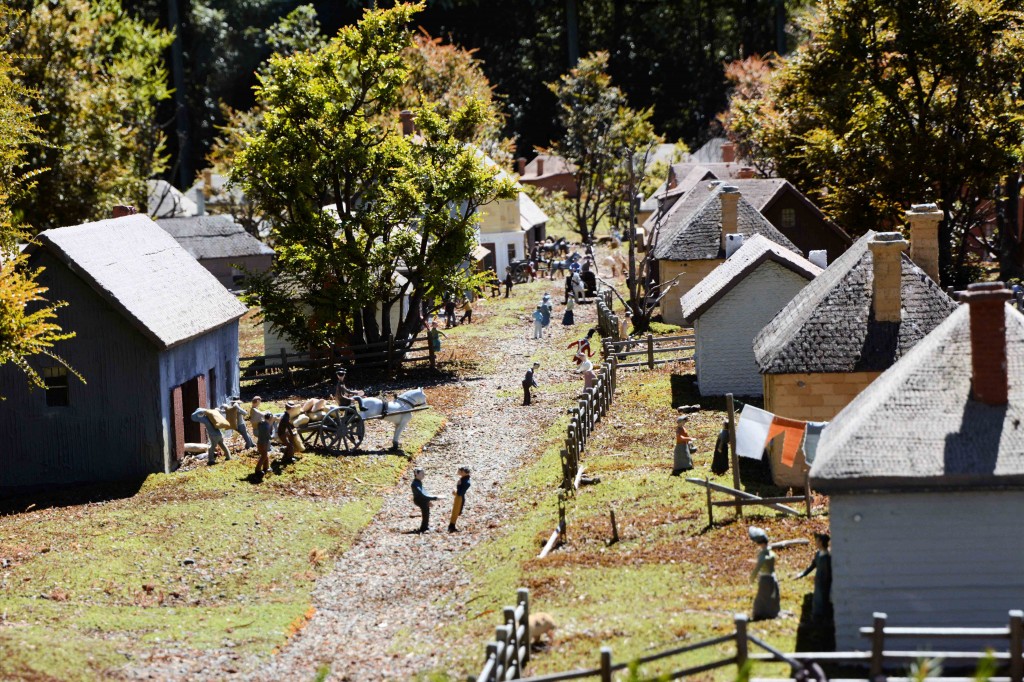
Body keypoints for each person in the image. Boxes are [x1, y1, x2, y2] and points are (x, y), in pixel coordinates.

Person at [795, 533, 833, 623]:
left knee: (824, 601)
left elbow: (830, 573)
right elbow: (813, 565)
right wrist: (802, 574)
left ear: (821, 542)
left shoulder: (828, 558)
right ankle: (816, 618)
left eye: (817, 540)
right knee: (817, 600)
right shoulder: (818, 554)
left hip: (825, 584)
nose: (815, 542)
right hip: (818, 582)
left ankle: (824, 620)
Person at [749, 526, 781, 621]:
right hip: (772, 578)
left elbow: (757, 568)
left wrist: (752, 577)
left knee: (761, 599)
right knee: (771, 597)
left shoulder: (763, 555)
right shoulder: (771, 553)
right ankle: (772, 612)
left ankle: (760, 614)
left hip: (765, 579)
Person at [411, 467, 439, 533]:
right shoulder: (415, 484)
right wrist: (435, 498)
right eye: (422, 473)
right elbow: (422, 494)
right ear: (416, 474)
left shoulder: (418, 482)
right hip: (420, 500)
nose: (423, 475)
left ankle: (425, 526)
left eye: (423, 473)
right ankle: (424, 528)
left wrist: (428, 500)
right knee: (425, 513)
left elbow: (424, 493)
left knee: (426, 513)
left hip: (422, 500)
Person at [448, 466, 472, 532]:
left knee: (456, 511)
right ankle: (451, 525)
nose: (459, 472)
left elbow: (460, 492)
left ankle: (452, 525)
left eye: (461, 471)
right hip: (458, 497)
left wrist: (457, 488)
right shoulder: (463, 479)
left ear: (464, 472)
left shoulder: (466, 482)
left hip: (460, 497)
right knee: (455, 511)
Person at [255, 411, 273, 476]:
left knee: (265, 456)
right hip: (263, 443)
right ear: (270, 418)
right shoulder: (267, 426)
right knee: (264, 456)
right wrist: (274, 435)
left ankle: (266, 468)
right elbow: (269, 437)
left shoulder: (261, 424)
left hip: (260, 442)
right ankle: (257, 470)